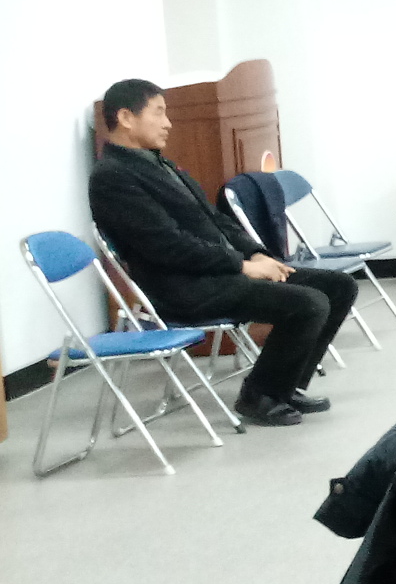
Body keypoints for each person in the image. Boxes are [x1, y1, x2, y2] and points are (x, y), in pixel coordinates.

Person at [86, 76, 357, 427]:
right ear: (126, 117)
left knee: (338, 287)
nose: (168, 123)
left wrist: (255, 253)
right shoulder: (113, 177)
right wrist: (241, 266)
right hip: (182, 288)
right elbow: (167, 246)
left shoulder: (156, 163)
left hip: (216, 272)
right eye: (158, 112)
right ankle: (259, 396)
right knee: (309, 303)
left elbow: (214, 220)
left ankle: (285, 386)